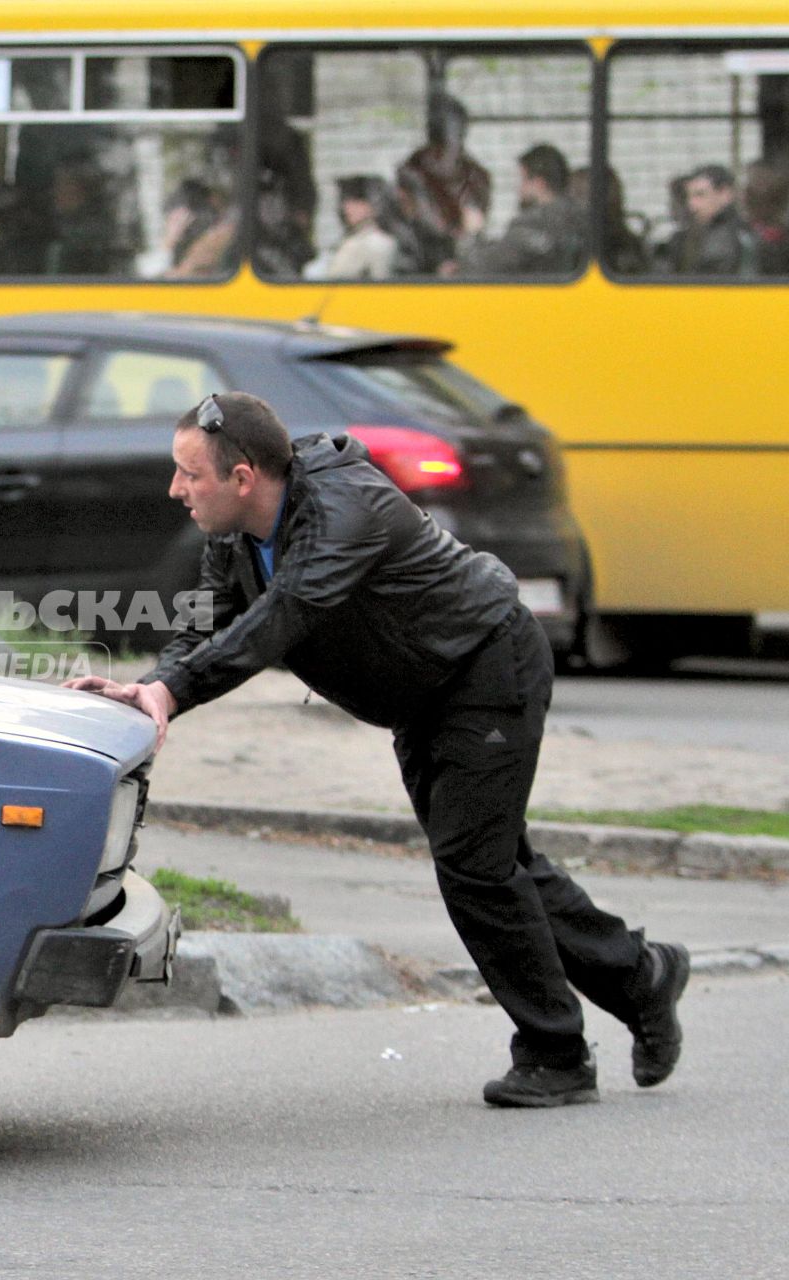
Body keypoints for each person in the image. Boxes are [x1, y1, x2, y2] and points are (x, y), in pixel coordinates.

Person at [65, 392, 690, 1107]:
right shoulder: (234, 537)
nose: (176, 490)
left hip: (485, 669)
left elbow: (287, 615)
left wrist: (174, 691)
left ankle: (556, 1053)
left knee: (476, 866)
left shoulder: (343, 508)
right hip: (423, 695)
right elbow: (206, 624)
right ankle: (641, 977)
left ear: (242, 478)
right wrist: (150, 688)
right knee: (495, 863)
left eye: (189, 474)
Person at [395, 94, 492, 275]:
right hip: (418, 264)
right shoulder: (412, 172)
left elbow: (474, 226)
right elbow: (409, 222)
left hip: (463, 264)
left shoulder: (476, 177)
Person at [456, 143, 584, 277]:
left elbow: (480, 268)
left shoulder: (532, 224)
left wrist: (472, 234)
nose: (520, 190)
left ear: (539, 183)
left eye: (523, 180)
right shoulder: (581, 218)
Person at [674, 164, 755, 275]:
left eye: (700, 195)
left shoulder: (733, 237)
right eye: (688, 196)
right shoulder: (689, 236)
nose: (691, 205)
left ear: (725, 194)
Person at [317, 175, 397, 280]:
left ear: (372, 205)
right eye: (346, 201)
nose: (347, 207)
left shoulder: (378, 243)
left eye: (356, 202)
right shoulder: (350, 240)